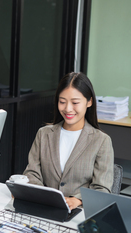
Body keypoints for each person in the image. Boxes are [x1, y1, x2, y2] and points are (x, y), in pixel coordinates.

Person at [23, 72, 114, 210]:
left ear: (89, 102)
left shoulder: (101, 141)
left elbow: (102, 188)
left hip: (79, 212)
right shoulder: (44, 134)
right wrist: (45, 197)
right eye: (62, 102)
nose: (67, 109)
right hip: (44, 207)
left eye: (75, 102)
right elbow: (32, 173)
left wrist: (77, 200)